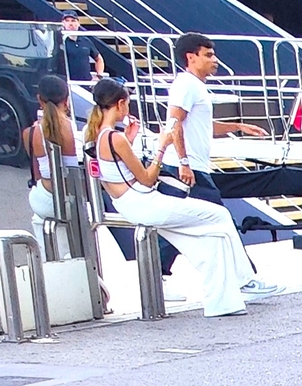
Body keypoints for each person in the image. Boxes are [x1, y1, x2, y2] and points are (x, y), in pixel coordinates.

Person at [84, 77, 254, 317]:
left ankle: (225, 301)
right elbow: (147, 178)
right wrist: (162, 146)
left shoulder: (100, 136)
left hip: (130, 202)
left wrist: (131, 141)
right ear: (121, 104)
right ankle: (243, 280)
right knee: (220, 215)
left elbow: (117, 169)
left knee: (211, 236)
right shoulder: (115, 138)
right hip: (143, 201)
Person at [161, 33, 279, 300]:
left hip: (190, 167)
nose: (215, 60)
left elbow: (200, 126)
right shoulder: (187, 85)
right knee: (221, 221)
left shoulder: (195, 86)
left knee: (179, 223)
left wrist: (237, 126)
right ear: (191, 57)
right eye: (208, 55)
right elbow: (174, 123)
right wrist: (184, 162)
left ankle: (159, 277)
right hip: (188, 169)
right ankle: (244, 280)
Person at [21, 75, 77, 222]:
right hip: (75, 198)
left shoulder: (30, 133)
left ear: (39, 99)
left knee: (38, 216)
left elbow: (37, 173)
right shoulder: (76, 130)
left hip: (46, 200)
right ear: (66, 100)